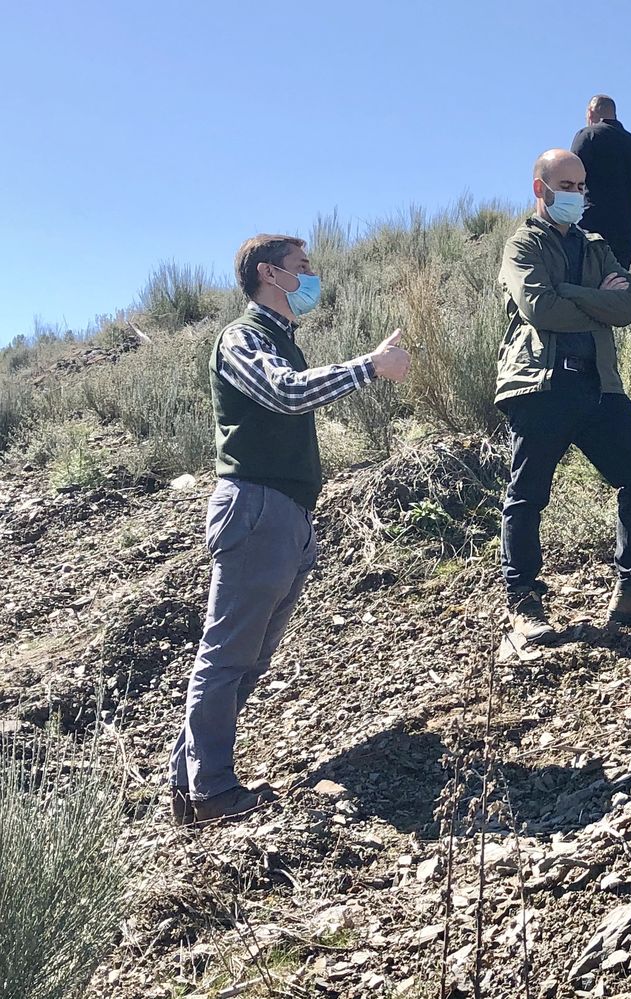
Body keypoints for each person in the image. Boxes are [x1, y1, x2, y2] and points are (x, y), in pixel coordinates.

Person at [168, 235, 410, 823]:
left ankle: (195, 786)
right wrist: (371, 367)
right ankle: (211, 792)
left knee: (245, 659)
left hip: (282, 513)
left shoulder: (279, 339)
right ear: (270, 274)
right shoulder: (243, 338)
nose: (312, 276)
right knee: (228, 655)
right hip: (257, 509)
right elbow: (286, 394)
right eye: (303, 268)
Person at [496, 149, 631, 643]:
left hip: (598, 383)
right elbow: (540, 308)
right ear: (541, 189)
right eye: (568, 186)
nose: (578, 195)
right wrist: (595, 299)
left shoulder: (595, 244)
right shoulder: (522, 245)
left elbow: (628, 303)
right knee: (528, 493)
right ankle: (522, 602)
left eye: (582, 186)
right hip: (540, 385)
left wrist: (573, 293)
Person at [571, 95, 631, 268]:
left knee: (587, 288)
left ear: (590, 112)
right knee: (616, 288)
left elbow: (570, 178)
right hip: (627, 234)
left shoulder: (588, 136)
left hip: (592, 228)